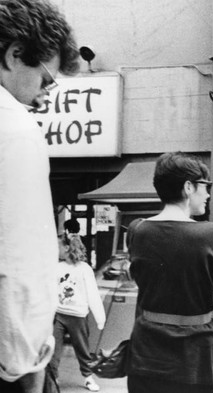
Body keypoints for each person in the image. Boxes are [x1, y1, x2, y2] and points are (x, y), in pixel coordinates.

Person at [0, 1, 79, 392]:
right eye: (47, 79)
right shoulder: (15, 128)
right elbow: (20, 262)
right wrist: (26, 365)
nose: (45, 95)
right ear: (14, 55)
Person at [126, 152, 213, 393]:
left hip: (146, 351)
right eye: (205, 187)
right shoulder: (212, 235)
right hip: (196, 354)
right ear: (188, 187)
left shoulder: (137, 230)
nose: (207, 194)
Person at [49, 234, 105, 392]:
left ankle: (88, 377)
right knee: (53, 350)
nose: (56, 249)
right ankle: (53, 380)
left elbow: (93, 294)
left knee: (82, 349)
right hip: (59, 314)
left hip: (78, 315)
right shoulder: (57, 267)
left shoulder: (84, 269)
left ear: (67, 248)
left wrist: (100, 318)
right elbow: (50, 290)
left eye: (58, 246)